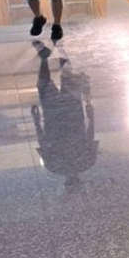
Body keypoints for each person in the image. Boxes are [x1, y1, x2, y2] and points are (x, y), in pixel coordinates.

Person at [31, 43, 97, 192]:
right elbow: (43, 141)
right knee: (47, 84)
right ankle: (48, 54)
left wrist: (90, 113)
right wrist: (36, 121)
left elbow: (90, 134)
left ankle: (56, 50)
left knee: (64, 79)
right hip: (55, 116)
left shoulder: (87, 162)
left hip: (70, 114)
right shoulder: (54, 166)